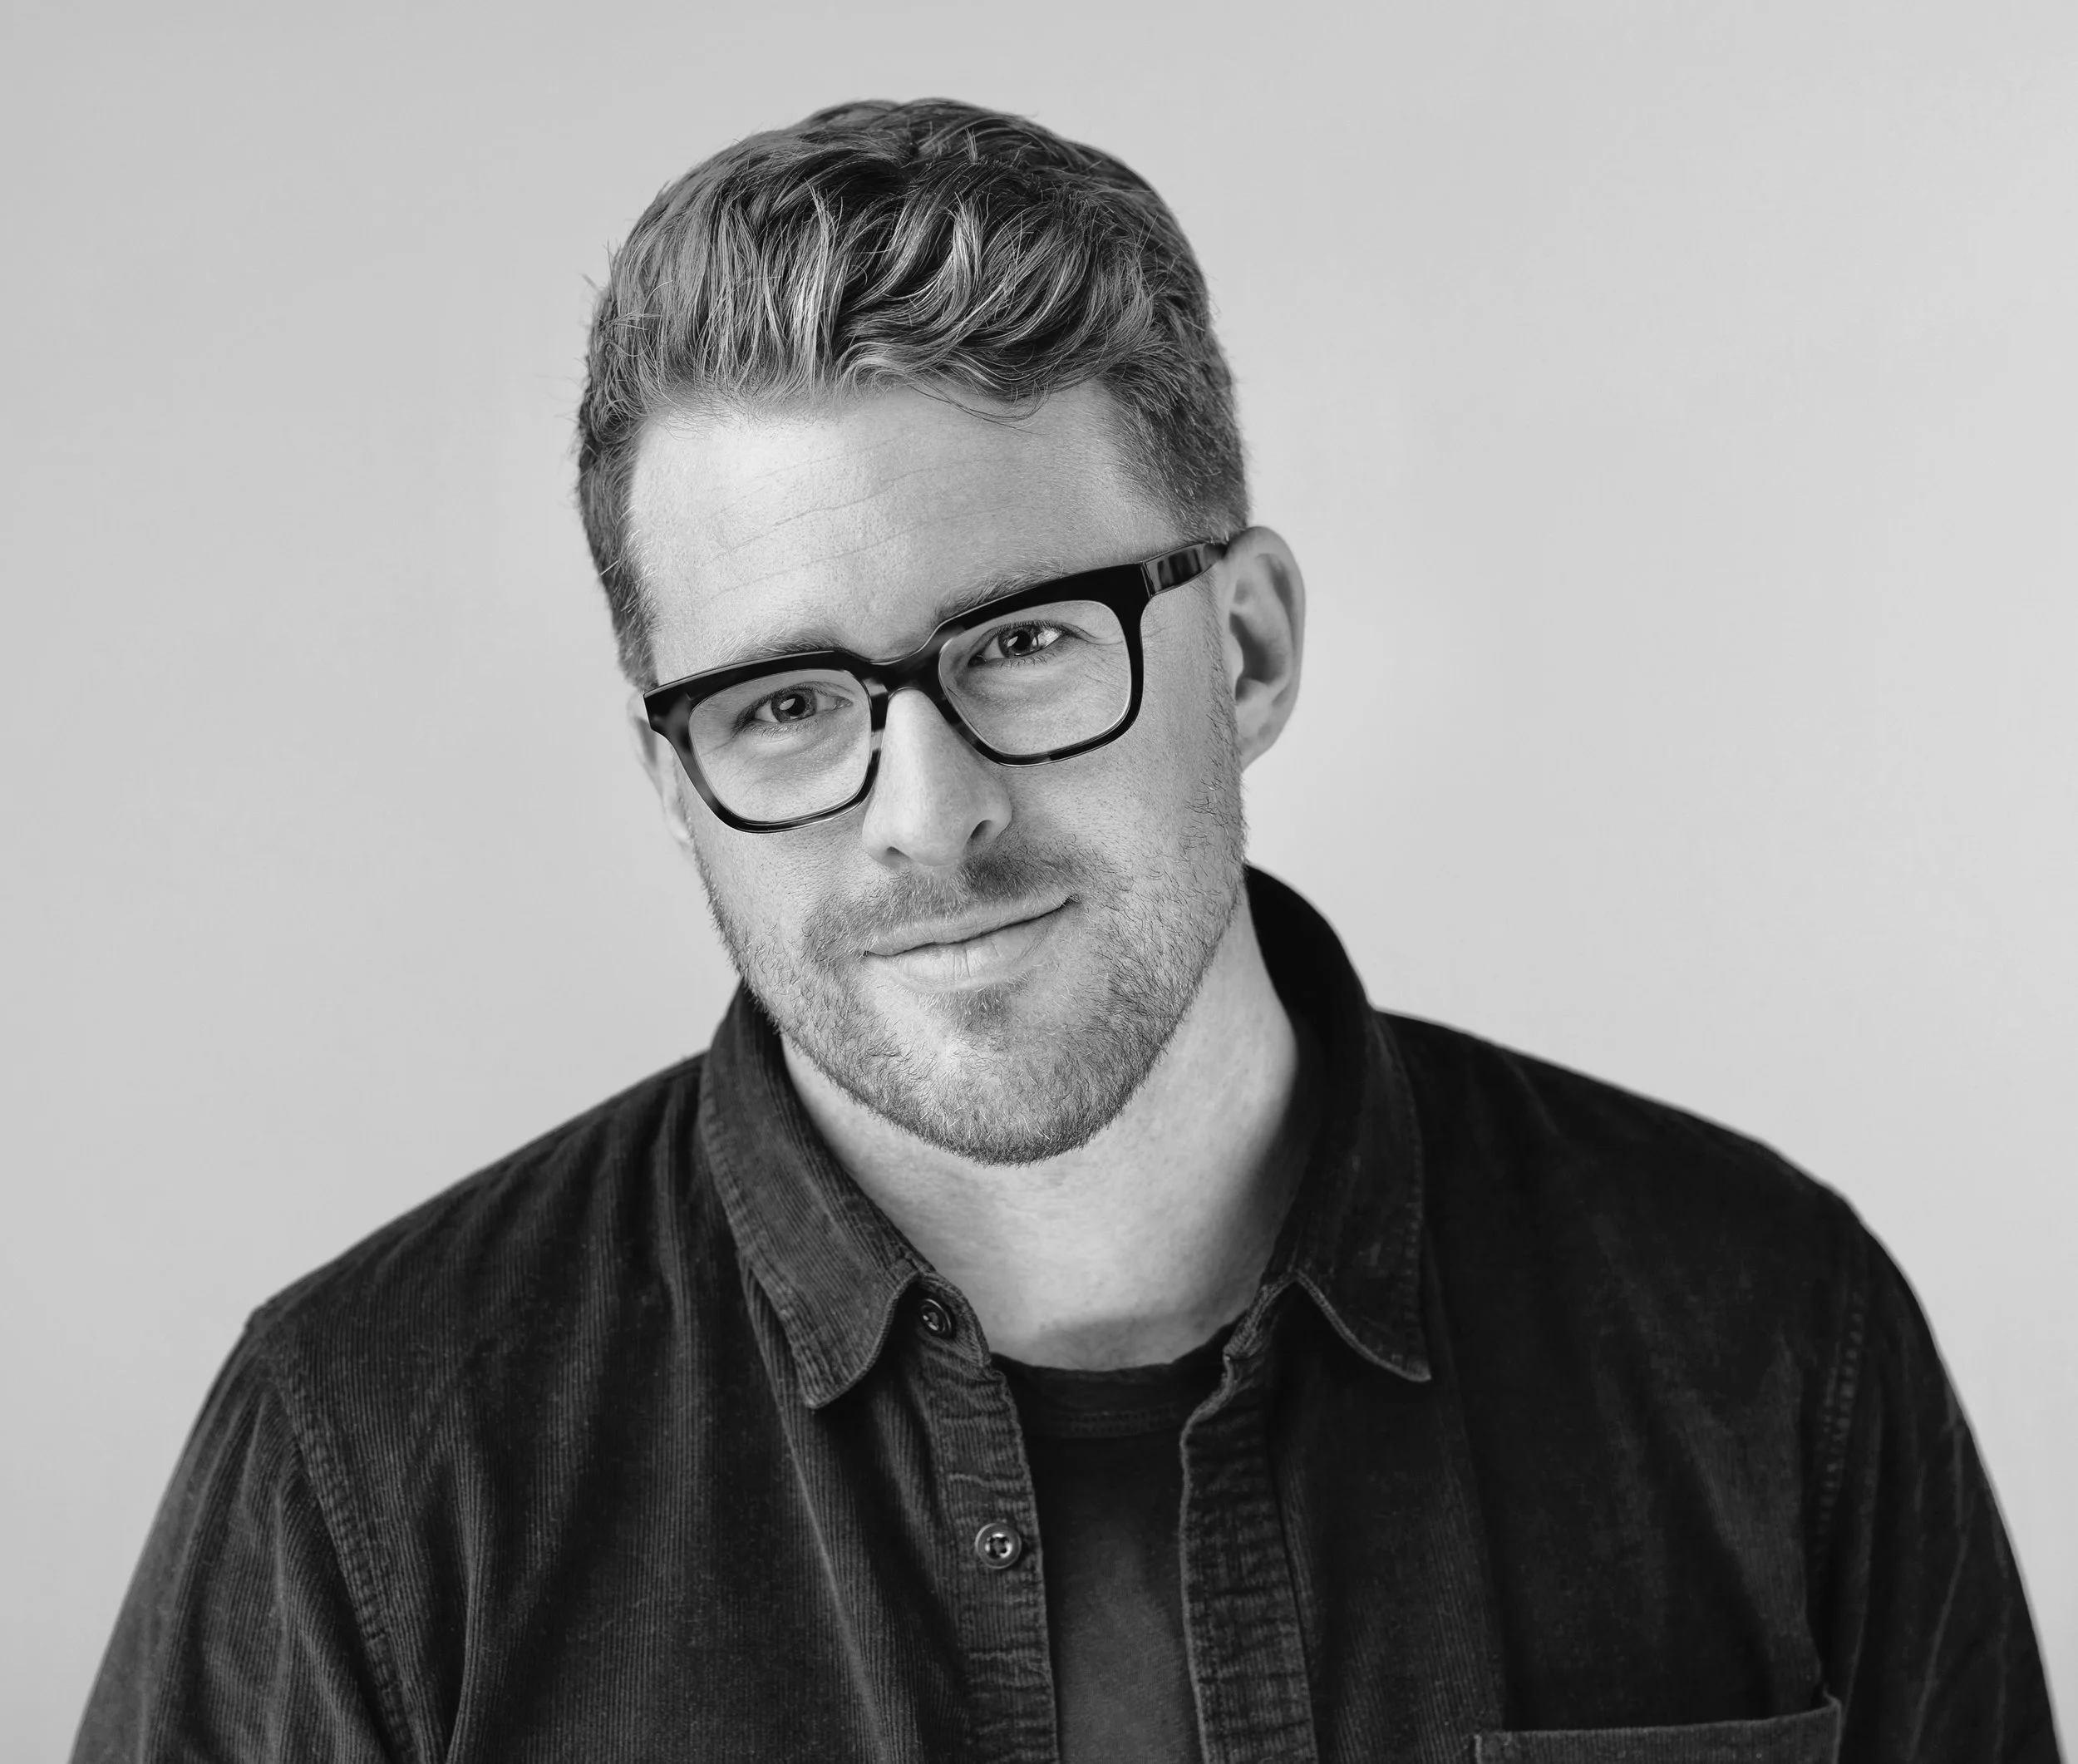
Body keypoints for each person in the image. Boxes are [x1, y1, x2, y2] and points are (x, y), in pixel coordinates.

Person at [76, 99, 2058, 1764]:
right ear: (671, 775)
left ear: (1246, 646)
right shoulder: (365, 1461)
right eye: (784, 705)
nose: (925, 811)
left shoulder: (1762, 1335)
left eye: (1023, 643)